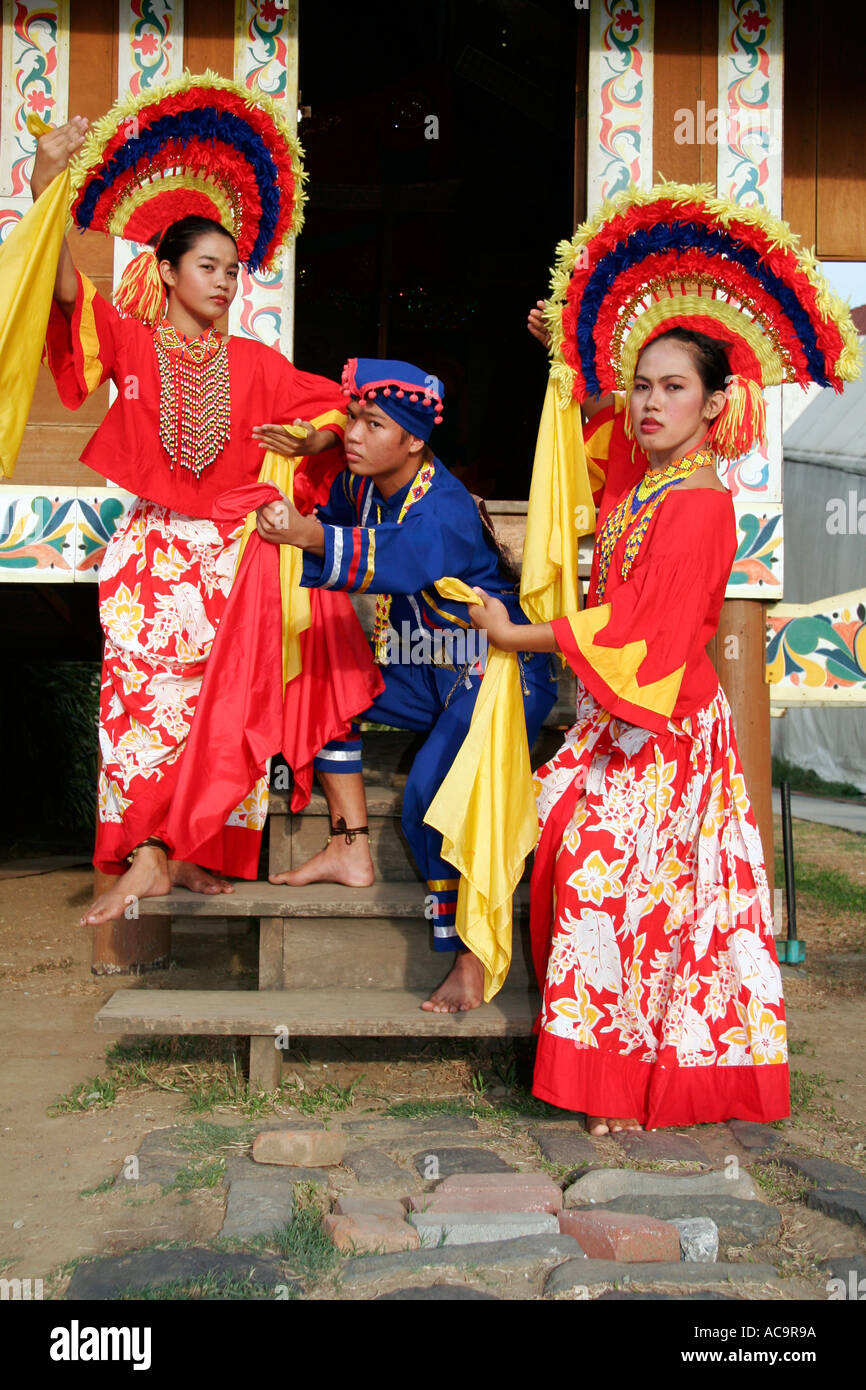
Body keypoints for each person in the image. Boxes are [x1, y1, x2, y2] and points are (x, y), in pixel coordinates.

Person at [32, 115, 367, 927]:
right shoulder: (132, 342)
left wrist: (312, 435)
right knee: (139, 710)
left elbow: (341, 409)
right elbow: (62, 290)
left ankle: (184, 856)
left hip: (235, 561)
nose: (224, 283)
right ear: (168, 271)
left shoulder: (254, 362)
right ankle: (146, 854)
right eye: (208, 267)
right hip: (155, 561)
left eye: (232, 270)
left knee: (220, 716)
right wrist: (48, 180)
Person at [470, 325, 790, 1130]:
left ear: (717, 404)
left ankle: (621, 1086)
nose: (649, 402)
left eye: (674, 387)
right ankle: (607, 1078)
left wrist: (514, 636)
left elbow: (641, 627)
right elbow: (597, 438)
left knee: (611, 889)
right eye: (643, 384)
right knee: (600, 881)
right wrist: (575, 364)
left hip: (669, 727)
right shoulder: (650, 480)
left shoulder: (699, 501)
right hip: (622, 716)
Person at [255, 358, 558, 1012]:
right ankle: (350, 845)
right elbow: (332, 504)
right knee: (320, 680)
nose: (354, 435)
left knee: (432, 797)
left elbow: (390, 562)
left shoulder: (443, 507)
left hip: (497, 669)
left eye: (372, 424)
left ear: (414, 440)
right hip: (426, 661)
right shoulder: (363, 485)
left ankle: (469, 960)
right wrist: (320, 442)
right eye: (353, 420)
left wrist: (304, 534)